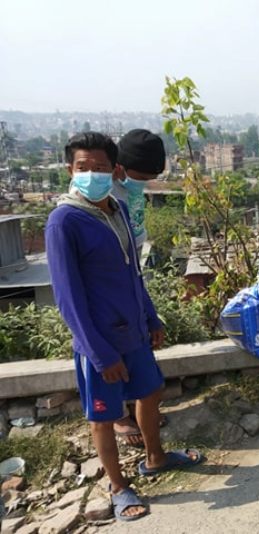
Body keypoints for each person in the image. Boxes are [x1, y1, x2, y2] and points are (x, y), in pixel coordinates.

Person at [45, 132, 202, 522]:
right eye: (83, 167)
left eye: (99, 168)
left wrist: (150, 316)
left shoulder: (117, 209)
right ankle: (118, 486)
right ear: (70, 170)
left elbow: (134, 274)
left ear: (113, 169)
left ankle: (156, 457)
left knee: (150, 391)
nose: (91, 174)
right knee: (103, 415)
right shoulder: (64, 221)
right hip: (99, 340)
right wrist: (99, 353)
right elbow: (68, 298)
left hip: (132, 329)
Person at [110, 129, 168, 447]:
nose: (143, 183)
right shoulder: (102, 196)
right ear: (119, 167)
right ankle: (119, 416)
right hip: (107, 288)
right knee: (113, 354)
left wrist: (149, 311)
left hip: (132, 279)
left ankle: (141, 410)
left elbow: (135, 242)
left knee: (137, 350)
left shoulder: (131, 194)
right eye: (141, 176)